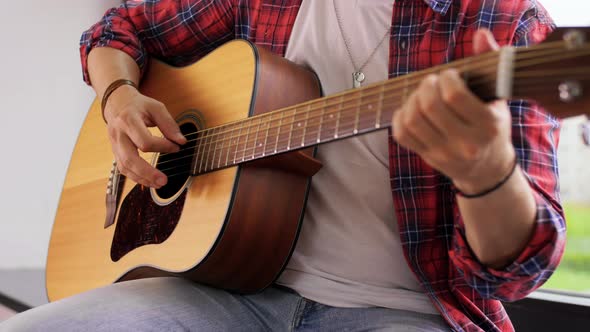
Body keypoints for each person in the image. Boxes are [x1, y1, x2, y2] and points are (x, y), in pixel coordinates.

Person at [1, 0, 566, 331]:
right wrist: (118, 96)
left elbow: (516, 272)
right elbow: (115, 29)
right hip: (223, 291)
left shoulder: (503, 24)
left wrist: (486, 175)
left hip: (401, 310)